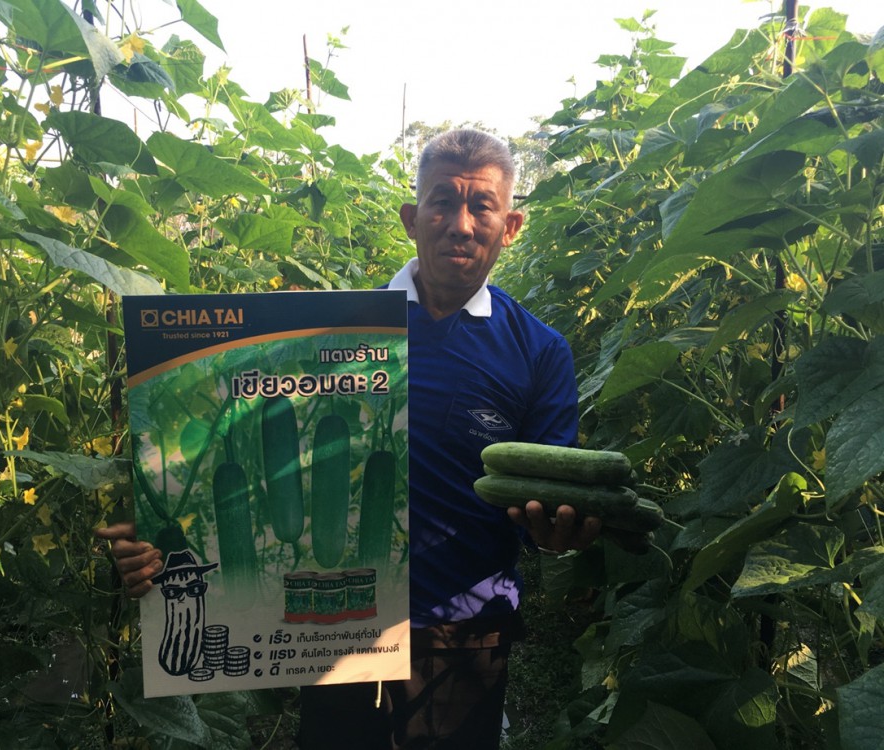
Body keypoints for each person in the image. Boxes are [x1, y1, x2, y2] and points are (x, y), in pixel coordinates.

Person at [96, 128, 600, 749]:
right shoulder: (321, 332)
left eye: (482, 206)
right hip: (333, 626)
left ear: (511, 226)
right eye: (443, 202)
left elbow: (543, 503)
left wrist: (557, 532)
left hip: (463, 630)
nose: (461, 225)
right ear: (411, 218)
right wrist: (162, 532)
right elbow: (248, 455)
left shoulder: (540, 352)